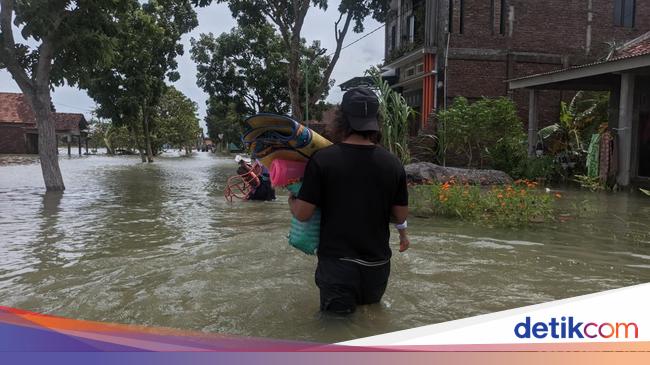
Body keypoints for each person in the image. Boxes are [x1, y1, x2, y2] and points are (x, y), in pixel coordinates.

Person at [288, 87, 410, 315]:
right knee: (370, 323)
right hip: (378, 267)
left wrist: (292, 199)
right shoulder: (393, 163)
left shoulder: (323, 160)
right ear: (375, 121)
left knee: (335, 334)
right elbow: (400, 216)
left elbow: (303, 213)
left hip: (338, 268)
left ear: (341, 119)